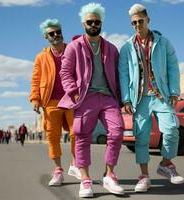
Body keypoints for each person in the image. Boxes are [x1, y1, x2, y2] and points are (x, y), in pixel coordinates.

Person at [58, 3, 124, 197]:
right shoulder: (73, 47)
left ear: (101, 22)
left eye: (96, 21)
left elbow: (118, 75)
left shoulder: (111, 48)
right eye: (90, 21)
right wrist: (74, 91)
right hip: (85, 97)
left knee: (117, 131)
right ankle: (85, 180)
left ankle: (109, 175)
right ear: (83, 23)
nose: (93, 24)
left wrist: (120, 98)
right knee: (82, 135)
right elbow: (65, 72)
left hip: (108, 97)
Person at [118, 3, 184, 193]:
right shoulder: (126, 47)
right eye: (134, 23)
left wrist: (174, 92)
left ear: (148, 20)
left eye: (140, 21)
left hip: (161, 95)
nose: (137, 25)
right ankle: (144, 176)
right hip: (139, 99)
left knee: (172, 129)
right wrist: (126, 99)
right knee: (141, 138)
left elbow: (173, 68)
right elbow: (123, 75)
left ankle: (166, 163)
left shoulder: (164, 43)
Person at [30, 18, 81, 186]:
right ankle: (58, 171)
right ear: (46, 36)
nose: (56, 35)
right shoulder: (41, 57)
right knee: (53, 136)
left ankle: (75, 164)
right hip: (51, 101)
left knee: (77, 132)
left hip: (72, 99)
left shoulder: (72, 50)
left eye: (58, 32)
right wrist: (35, 98)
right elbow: (35, 80)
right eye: (52, 33)